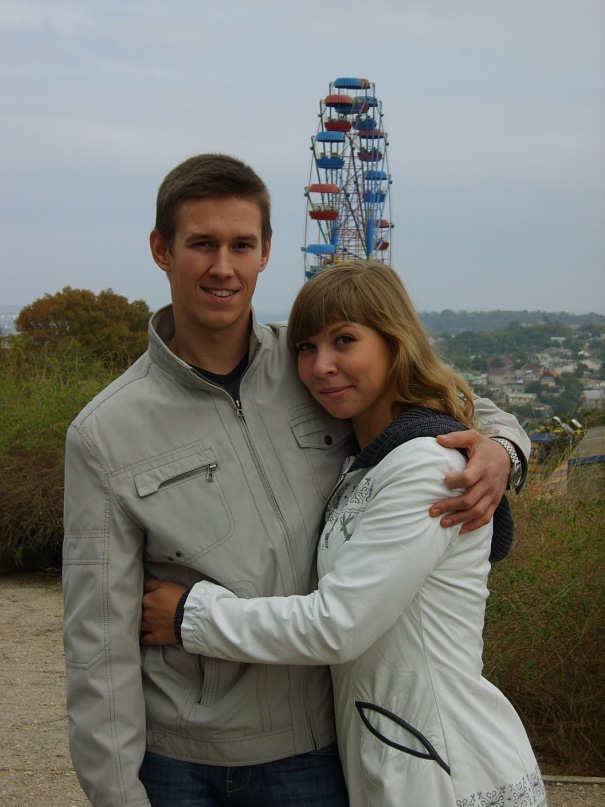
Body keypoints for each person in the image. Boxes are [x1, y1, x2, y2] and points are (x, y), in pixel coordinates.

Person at [63, 154, 530, 807]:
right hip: (182, 763)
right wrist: (116, 792)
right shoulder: (105, 431)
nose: (222, 266)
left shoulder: (313, 365)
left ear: (266, 252)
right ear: (161, 250)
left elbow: (448, 401)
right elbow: (97, 639)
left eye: (241, 245)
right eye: (201, 244)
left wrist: (503, 451)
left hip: (315, 754)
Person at [141, 261, 545, 807]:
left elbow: (338, 624)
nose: (321, 366)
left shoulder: (428, 468)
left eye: (345, 340)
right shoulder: (367, 459)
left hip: (446, 768)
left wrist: (190, 614)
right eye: (306, 348)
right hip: (396, 755)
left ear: (395, 343)